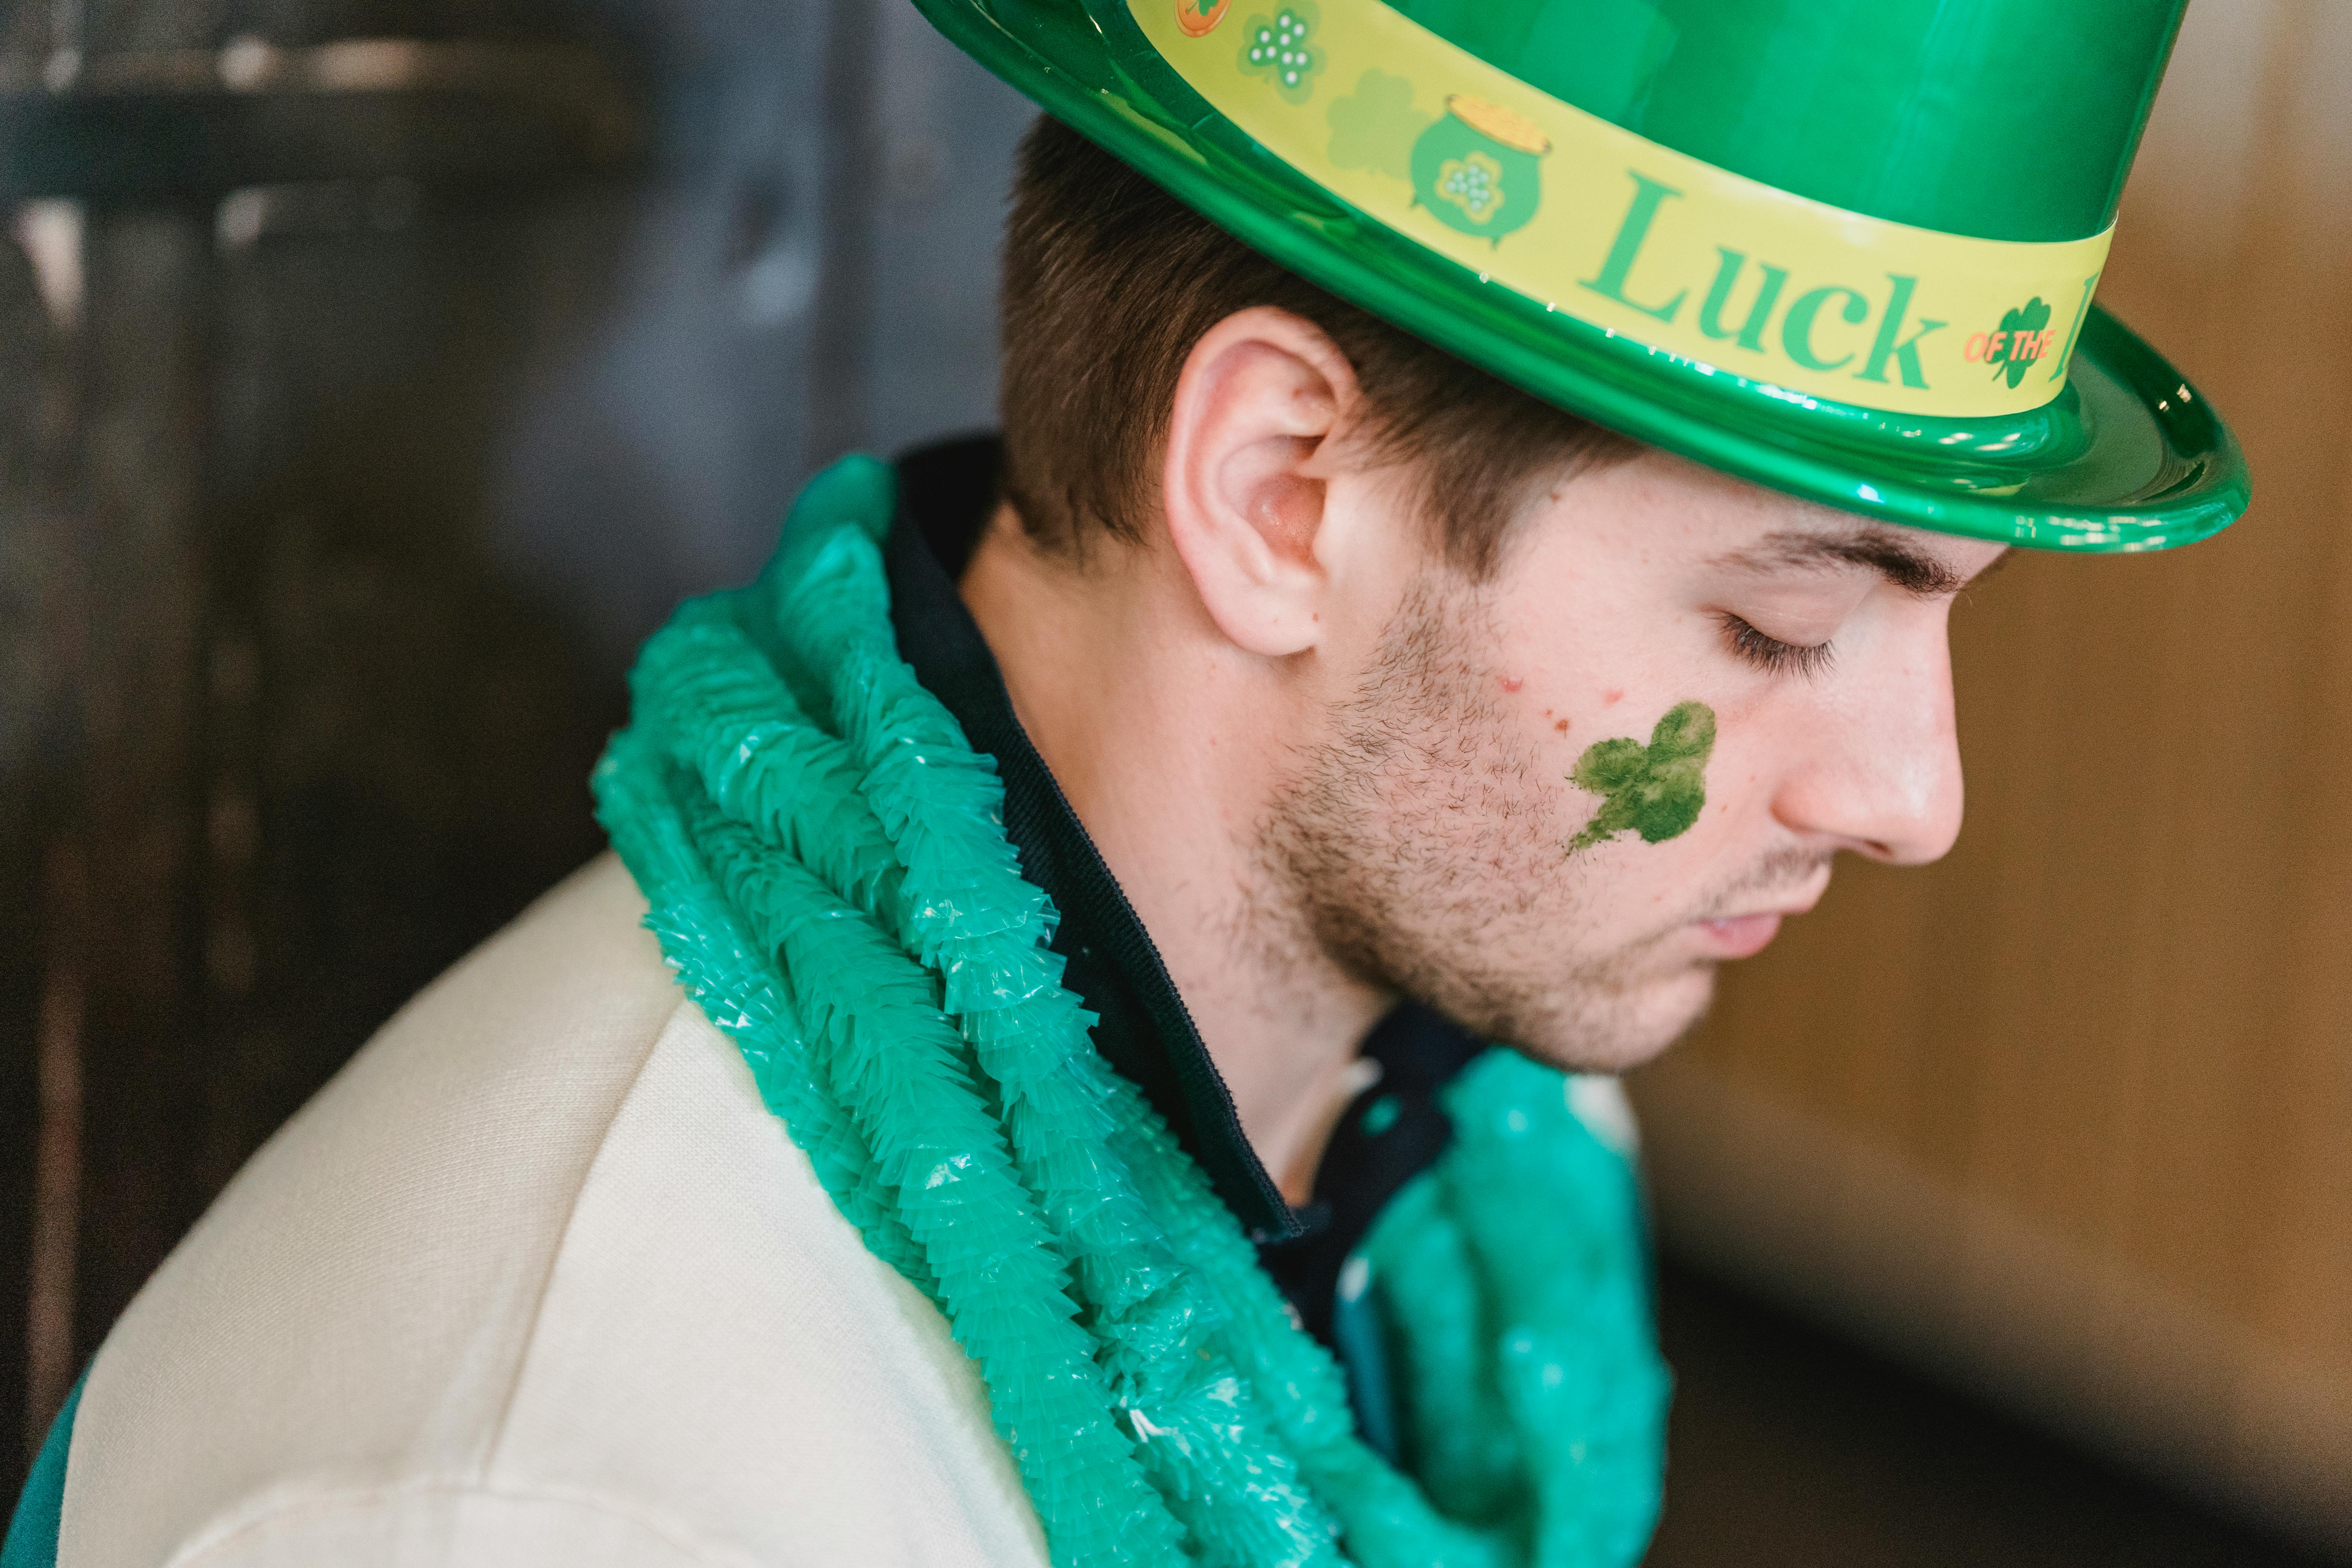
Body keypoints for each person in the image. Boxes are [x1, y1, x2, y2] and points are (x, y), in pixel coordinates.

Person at [6, 1, 2245, 1565]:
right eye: (1773, 627)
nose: (1915, 796)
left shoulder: (1470, 1121)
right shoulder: (580, 1500)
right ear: (1281, 492)